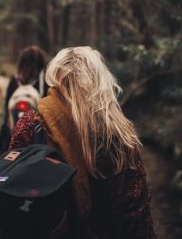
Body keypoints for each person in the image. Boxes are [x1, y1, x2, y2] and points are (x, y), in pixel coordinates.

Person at [8, 46, 156, 239]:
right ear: (100, 82)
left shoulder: (31, 125)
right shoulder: (118, 135)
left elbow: (11, 191)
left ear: (55, 78)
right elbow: (137, 213)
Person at [0, 45, 49, 154]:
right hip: (36, 139)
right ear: (41, 63)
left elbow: (7, 110)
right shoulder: (44, 83)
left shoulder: (14, 81)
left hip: (12, 135)